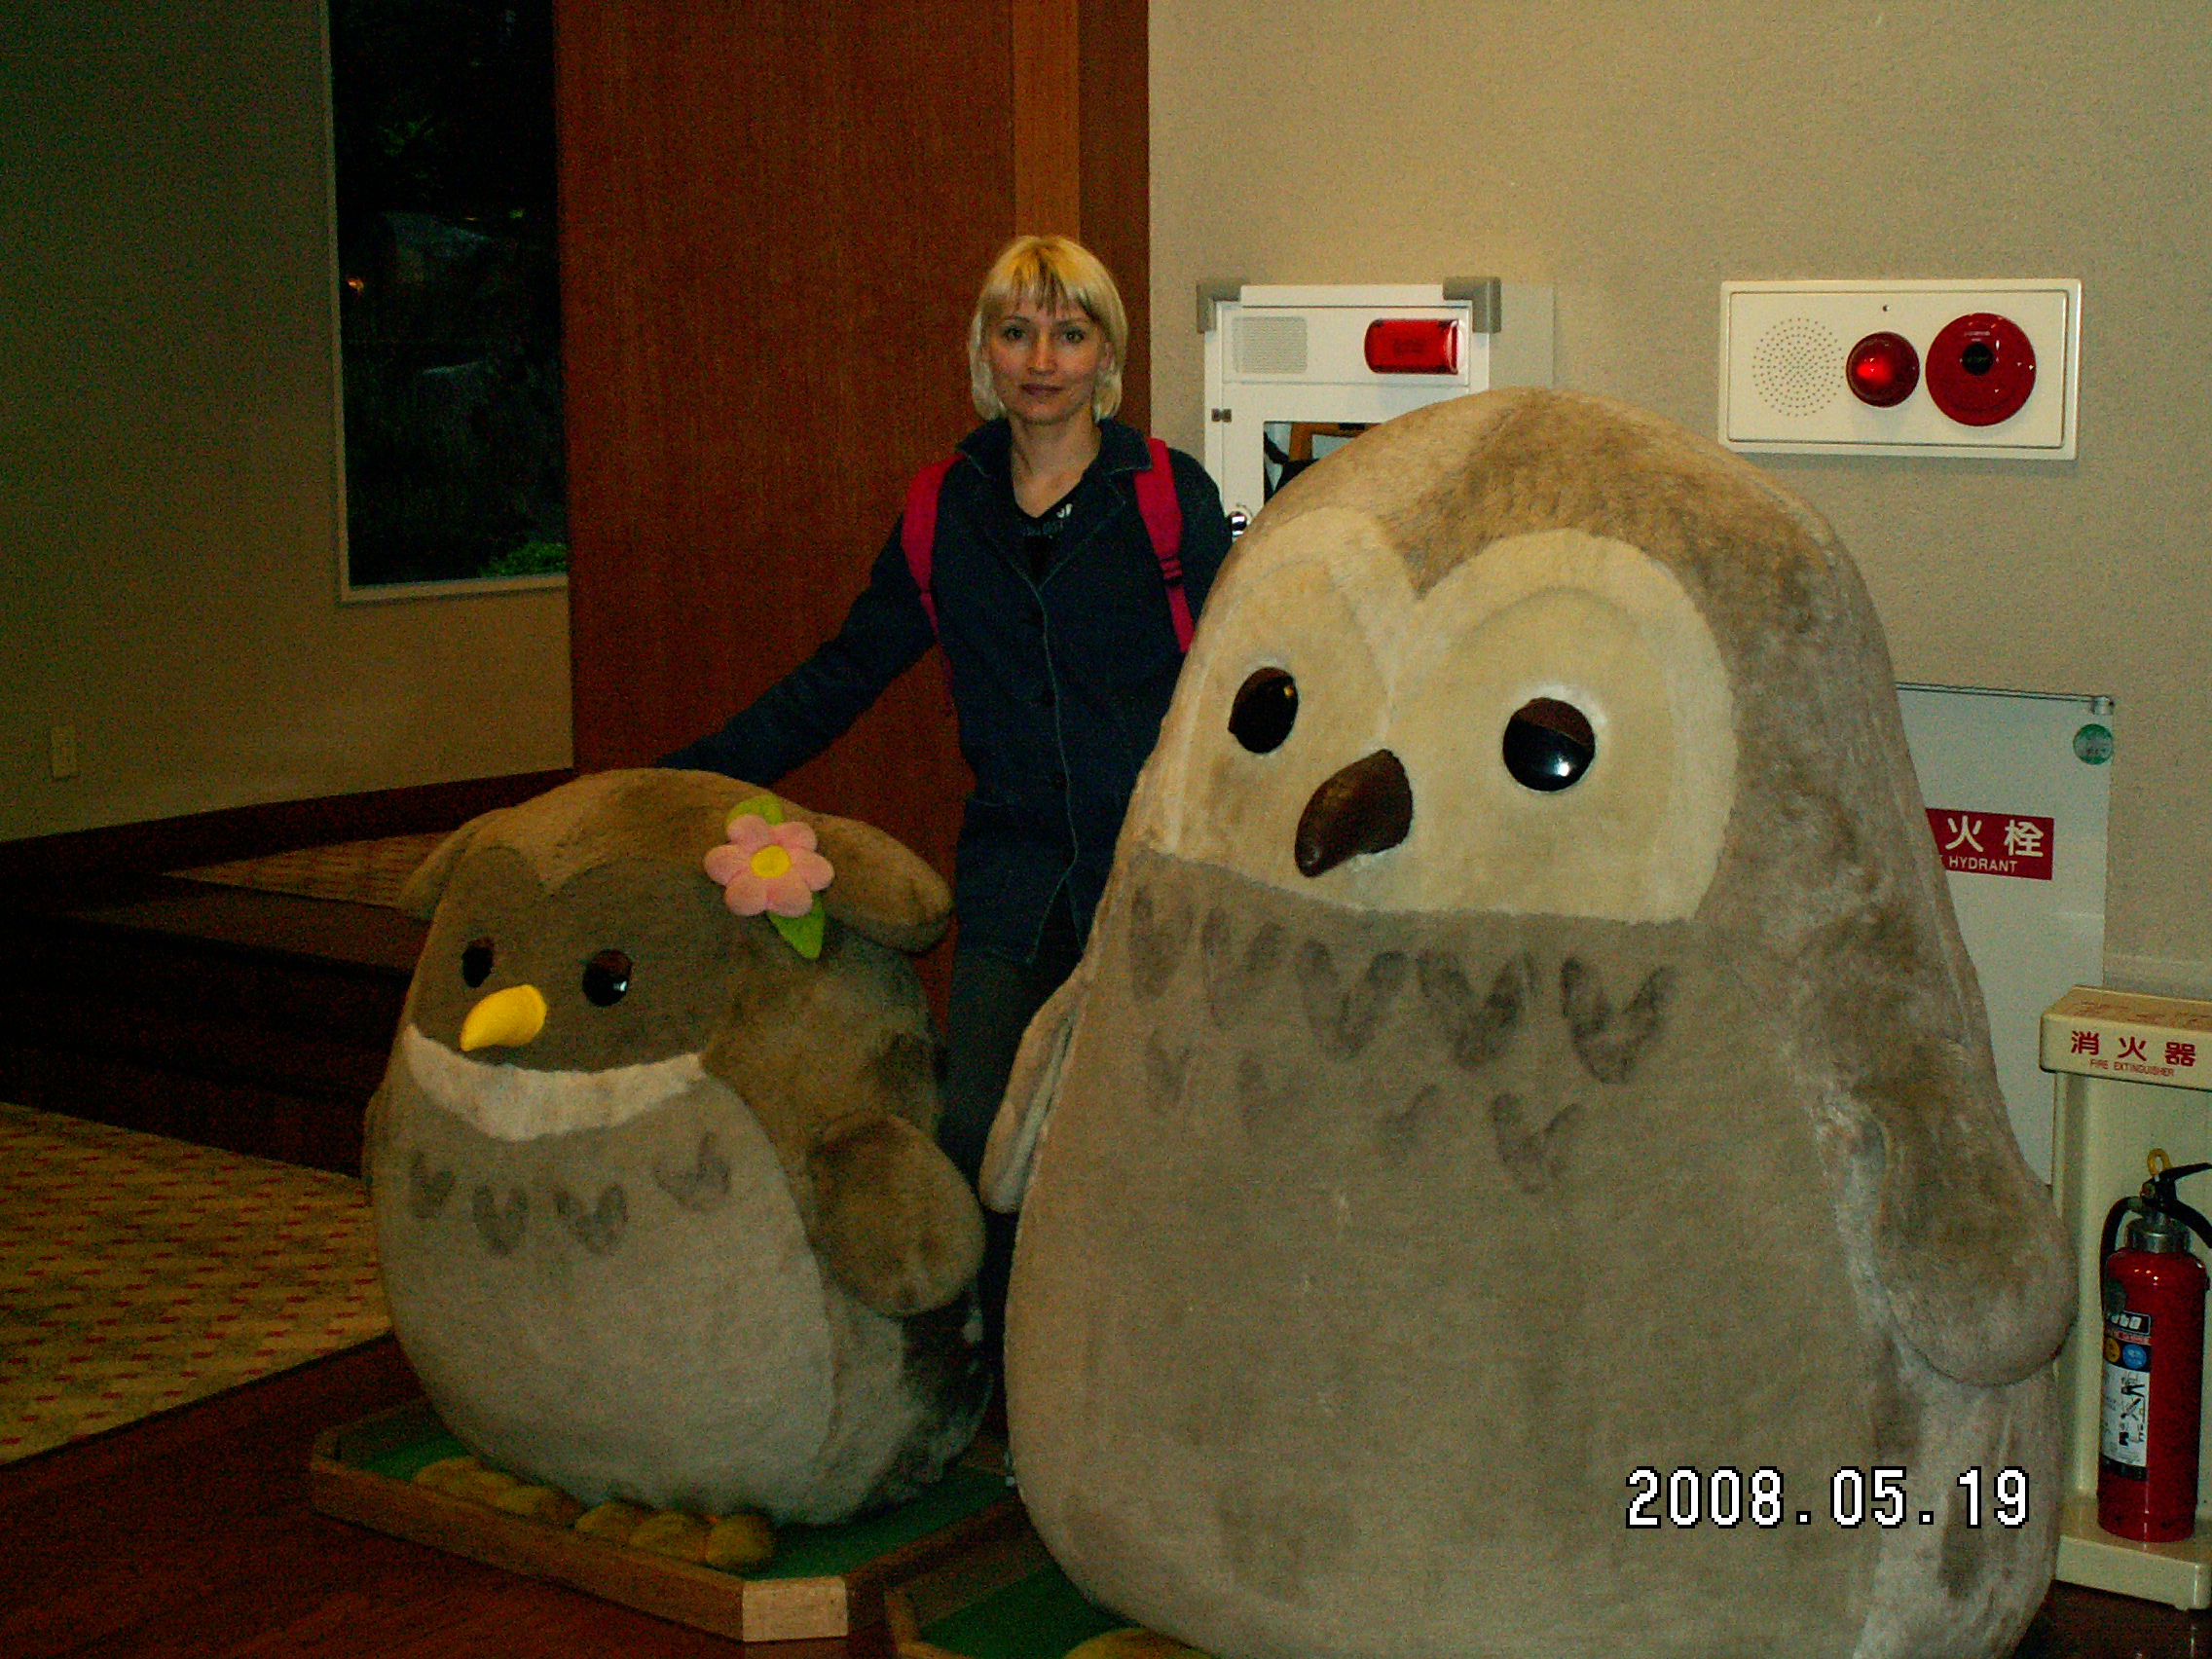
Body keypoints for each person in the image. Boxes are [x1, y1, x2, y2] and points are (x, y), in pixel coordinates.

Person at [663, 235, 1232, 1339]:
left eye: (1069, 334)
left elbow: (1240, 670)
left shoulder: (1166, 496)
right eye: (1017, 332)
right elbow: (843, 674)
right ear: (983, 352)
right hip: (1016, 876)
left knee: (1151, 1137)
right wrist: (685, 775)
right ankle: (1009, 1378)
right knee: (980, 1135)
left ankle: (1142, 1362)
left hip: (1157, 873)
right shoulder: (945, 508)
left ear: (1106, 356)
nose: (1042, 360)